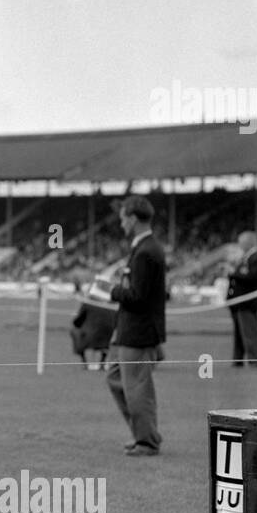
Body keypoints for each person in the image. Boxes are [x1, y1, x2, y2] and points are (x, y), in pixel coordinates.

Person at [102, 196, 167, 457]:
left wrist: (111, 290)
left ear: (132, 218)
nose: (120, 223)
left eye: (122, 218)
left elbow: (138, 297)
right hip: (129, 329)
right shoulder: (145, 248)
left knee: (137, 386)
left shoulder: (146, 251)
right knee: (115, 376)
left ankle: (147, 441)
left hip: (137, 331)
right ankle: (143, 433)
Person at [226, 231, 257, 368]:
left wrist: (233, 273)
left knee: (249, 333)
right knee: (239, 334)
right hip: (237, 302)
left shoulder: (256, 258)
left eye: (241, 242)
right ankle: (238, 359)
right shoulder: (244, 258)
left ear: (248, 243)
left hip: (247, 303)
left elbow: (252, 277)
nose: (239, 245)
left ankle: (254, 360)